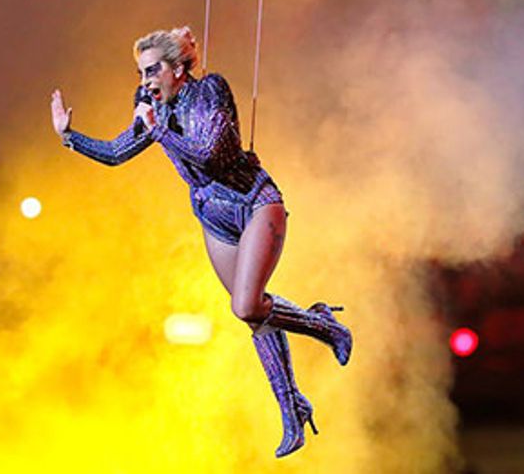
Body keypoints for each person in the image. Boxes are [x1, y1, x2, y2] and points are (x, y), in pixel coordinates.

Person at [49, 26, 352, 457]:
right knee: (255, 316)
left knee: (245, 304)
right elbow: (117, 153)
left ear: (177, 68)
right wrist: (69, 136)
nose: (145, 81)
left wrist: (159, 131)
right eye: (140, 73)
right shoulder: (155, 108)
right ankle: (292, 411)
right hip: (213, 216)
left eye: (152, 70)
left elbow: (212, 155)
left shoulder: (211, 90)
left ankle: (324, 325)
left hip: (253, 203)